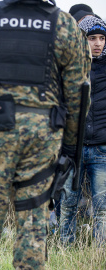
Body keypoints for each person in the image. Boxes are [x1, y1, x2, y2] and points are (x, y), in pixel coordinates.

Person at [0, 0, 90, 268]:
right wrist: (70, 147)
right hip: (43, 136)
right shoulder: (64, 24)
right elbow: (79, 95)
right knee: (34, 221)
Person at [60, 16, 106, 245]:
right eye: (92, 38)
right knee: (68, 205)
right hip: (72, 150)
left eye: (102, 38)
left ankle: (99, 253)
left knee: (101, 208)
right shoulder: (69, 67)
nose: (97, 43)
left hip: (101, 148)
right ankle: (64, 249)